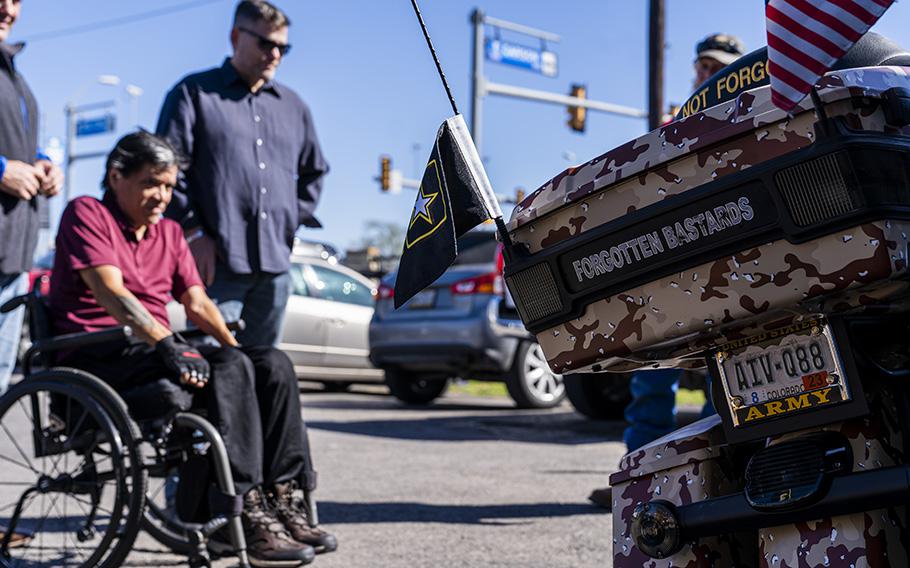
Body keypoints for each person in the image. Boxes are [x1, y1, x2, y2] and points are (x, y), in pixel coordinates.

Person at [47, 131, 335, 567]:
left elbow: (198, 303)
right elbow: (110, 291)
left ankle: (284, 496)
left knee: (269, 363)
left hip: (151, 349)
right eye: (150, 183)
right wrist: (166, 342)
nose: (161, 196)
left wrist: (237, 349)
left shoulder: (169, 232)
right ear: (115, 176)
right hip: (98, 354)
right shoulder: (87, 213)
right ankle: (244, 509)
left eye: (168, 185)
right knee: (231, 367)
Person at [587, 33, 744, 509]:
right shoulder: (675, 123)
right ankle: (639, 481)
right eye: (700, 64)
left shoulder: (751, 112)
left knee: (729, 371)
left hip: (730, 263)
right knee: (652, 373)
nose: (704, 72)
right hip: (674, 264)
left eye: (716, 65)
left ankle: (725, 476)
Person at [156, 0, 328, 347]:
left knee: (263, 371)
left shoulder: (294, 107)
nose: (275, 54)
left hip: (275, 270)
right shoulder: (194, 93)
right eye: (266, 43)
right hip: (216, 266)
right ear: (236, 36)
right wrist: (193, 231)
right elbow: (167, 168)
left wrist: (288, 220)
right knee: (213, 369)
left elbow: (315, 171)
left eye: (283, 47)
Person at [0, 0, 63, 396]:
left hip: (14, 254)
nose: (8, 8)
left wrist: (42, 164)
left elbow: (19, 145)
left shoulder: (14, 74)